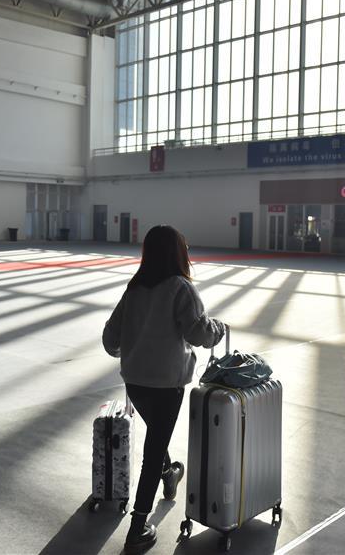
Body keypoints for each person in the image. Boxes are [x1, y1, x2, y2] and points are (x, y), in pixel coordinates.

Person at [103, 225, 225, 554]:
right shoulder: (181, 288)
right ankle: (138, 526)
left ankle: (169, 474)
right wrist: (218, 330)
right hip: (167, 384)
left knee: (158, 434)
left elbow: (109, 339)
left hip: (135, 382)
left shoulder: (134, 289)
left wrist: (131, 347)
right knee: (154, 448)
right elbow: (200, 333)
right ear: (178, 253)